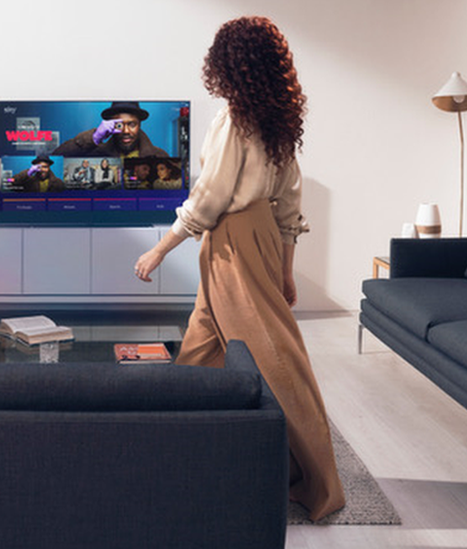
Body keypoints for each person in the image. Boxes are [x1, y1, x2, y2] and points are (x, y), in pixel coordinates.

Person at [133, 15, 345, 521]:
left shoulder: (234, 119)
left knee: (273, 355)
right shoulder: (279, 122)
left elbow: (209, 199)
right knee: (200, 347)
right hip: (262, 240)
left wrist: (159, 250)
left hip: (233, 240)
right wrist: (287, 270)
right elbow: (290, 208)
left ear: (229, 64)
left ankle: (321, 482)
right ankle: (180, 455)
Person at [52, 101, 170, 159]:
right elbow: (56, 158)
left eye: (132, 124)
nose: (126, 131)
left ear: (140, 125)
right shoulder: (95, 153)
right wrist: (94, 138)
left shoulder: (159, 156)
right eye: (119, 125)